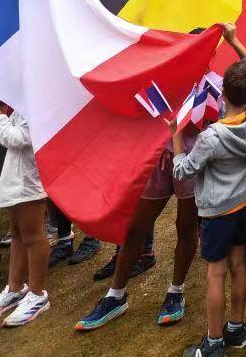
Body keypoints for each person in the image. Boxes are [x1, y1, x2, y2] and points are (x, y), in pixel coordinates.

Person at [171, 25, 246, 357]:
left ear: (222, 92)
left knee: (216, 272)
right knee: (238, 262)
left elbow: (183, 171)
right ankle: (236, 329)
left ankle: (213, 345)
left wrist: (176, 138)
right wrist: (234, 39)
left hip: (217, 211)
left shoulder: (212, 137)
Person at [75, 101, 202, 331]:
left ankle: (175, 291)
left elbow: (204, 119)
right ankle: (115, 295)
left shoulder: (210, 80)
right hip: (157, 153)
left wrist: (181, 120)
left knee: (186, 226)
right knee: (135, 228)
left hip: (193, 155)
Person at [0, 104, 51, 326]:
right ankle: (15, 288)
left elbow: (19, 139)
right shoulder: (21, 104)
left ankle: (37, 294)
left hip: (28, 180)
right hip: (13, 178)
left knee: (34, 236)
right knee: (17, 234)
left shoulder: (37, 103)